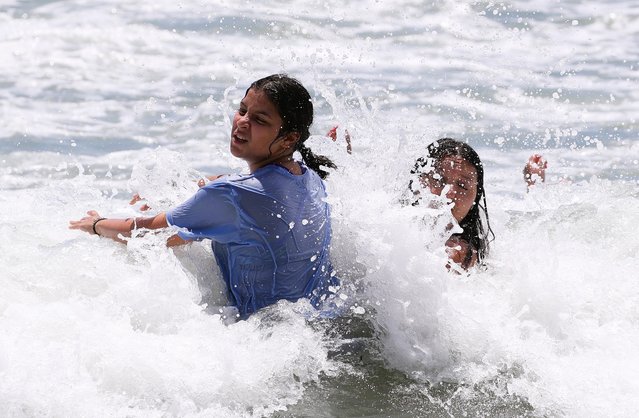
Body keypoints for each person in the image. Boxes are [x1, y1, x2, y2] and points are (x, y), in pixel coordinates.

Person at [70, 74, 339, 317]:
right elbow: (238, 186)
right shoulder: (309, 176)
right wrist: (186, 184)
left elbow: (146, 234)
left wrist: (94, 224)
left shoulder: (232, 195)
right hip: (317, 322)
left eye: (259, 120)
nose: (242, 122)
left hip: (262, 338)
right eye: (243, 110)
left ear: (289, 139)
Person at [407, 138, 495, 270]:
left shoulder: (474, 260)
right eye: (439, 179)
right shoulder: (379, 233)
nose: (449, 194)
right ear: (418, 182)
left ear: (474, 201)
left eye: (462, 185)